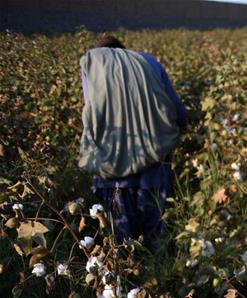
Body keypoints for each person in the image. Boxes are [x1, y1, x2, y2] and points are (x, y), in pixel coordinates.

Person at [79, 34, 187, 248]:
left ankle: (127, 269)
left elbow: (91, 109)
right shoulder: (147, 61)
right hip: (154, 152)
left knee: (120, 226)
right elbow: (175, 107)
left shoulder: (92, 65)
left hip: (111, 158)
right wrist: (178, 130)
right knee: (154, 219)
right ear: (123, 51)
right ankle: (160, 267)